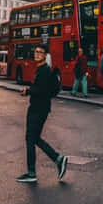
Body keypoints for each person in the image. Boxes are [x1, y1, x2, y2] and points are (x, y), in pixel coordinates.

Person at [17, 43, 68, 184]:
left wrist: (28, 91)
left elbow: (41, 90)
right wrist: (30, 90)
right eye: (36, 52)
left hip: (38, 110)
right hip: (39, 108)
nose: (37, 54)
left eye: (40, 52)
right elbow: (39, 88)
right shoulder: (41, 69)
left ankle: (32, 172)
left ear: (45, 55)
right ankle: (58, 159)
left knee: (30, 139)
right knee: (35, 138)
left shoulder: (44, 70)